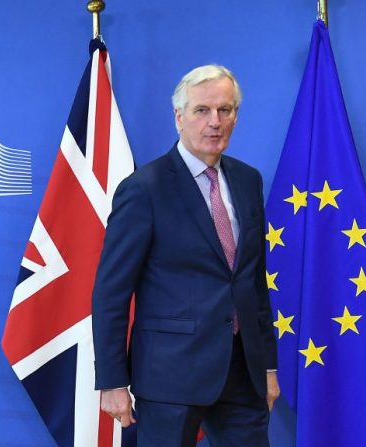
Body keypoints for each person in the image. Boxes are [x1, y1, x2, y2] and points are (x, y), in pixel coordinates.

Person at [91, 65, 280, 446]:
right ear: (179, 117)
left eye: (225, 110)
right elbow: (111, 292)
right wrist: (112, 380)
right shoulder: (144, 189)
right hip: (169, 378)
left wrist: (269, 365)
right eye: (202, 111)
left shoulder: (248, 181)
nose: (215, 122)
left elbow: (253, 282)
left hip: (244, 373)